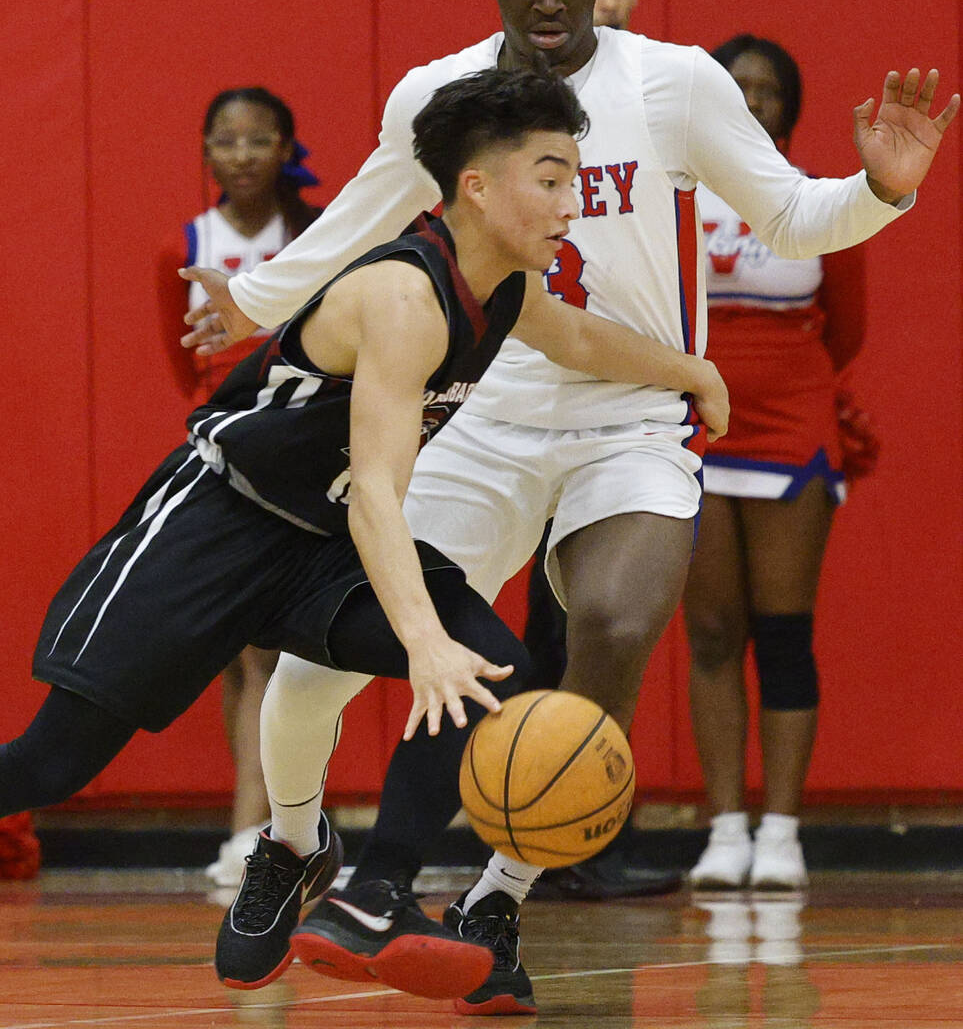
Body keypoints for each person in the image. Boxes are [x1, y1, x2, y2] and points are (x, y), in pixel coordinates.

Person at [180, 0, 958, 1015]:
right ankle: (295, 847)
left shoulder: (675, 83)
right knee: (307, 678)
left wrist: (881, 189)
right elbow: (350, 229)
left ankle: (498, 891)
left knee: (611, 616)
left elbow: (794, 219)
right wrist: (251, 299)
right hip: (480, 421)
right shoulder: (437, 99)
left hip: (632, 421)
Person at [1, 67, 727, 1001]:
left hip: (318, 544)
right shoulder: (401, 294)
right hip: (218, 523)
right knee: (49, 765)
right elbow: (381, 492)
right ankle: (300, 854)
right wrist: (420, 640)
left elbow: (576, 340)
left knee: (483, 662)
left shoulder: (500, 283)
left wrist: (690, 370)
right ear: (477, 186)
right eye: (550, 180)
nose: (570, 203)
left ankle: (374, 894)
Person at [684, 36, 876, 891]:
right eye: (736, 87)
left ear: (789, 111)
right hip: (694, 428)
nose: (751, 101)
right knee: (713, 632)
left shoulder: (817, 201)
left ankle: (782, 831)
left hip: (790, 429)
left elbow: (847, 328)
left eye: (767, 91)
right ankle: (725, 827)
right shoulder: (674, 198)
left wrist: (794, 391)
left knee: (783, 634)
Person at [522, 0, 680, 901]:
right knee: (475, 635)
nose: (605, 3)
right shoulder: (492, 108)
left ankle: (567, 837)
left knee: (599, 622)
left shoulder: (662, 101)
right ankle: (356, 853)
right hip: (512, 410)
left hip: (624, 413)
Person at [160, 87, 323, 889]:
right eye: (226, 140)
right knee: (239, 653)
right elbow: (179, 358)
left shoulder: (317, 235)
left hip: (297, 445)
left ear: (285, 148)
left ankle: (259, 830)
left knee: (271, 650)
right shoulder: (186, 244)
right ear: (205, 152)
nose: (243, 155)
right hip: (219, 452)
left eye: (261, 139)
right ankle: (260, 825)